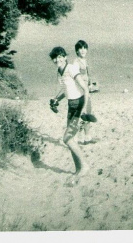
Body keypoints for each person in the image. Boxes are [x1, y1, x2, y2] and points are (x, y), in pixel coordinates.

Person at [49, 46, 90, 177]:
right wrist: (57, 100)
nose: (57, 60)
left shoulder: (71, 68)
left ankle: (84, 166)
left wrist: (83, 110)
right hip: (71, 105)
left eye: (60, 57)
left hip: (79, 105)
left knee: (67, 139)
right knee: (71, 139)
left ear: (65, 57)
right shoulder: (59, 72)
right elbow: (67, 90)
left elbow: (85, 89)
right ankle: (78, 169)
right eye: (55, 58)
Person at [73, 40, 98, 145]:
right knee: (81, 114)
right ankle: (79, 138)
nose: (83, 50)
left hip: (87, 91)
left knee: (88, 112)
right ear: (77, 50)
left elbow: (88, 76)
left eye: (84, 48)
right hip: (80, 92)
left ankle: (87, 137)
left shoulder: (85, 61)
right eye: (80, 48)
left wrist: (92, 84)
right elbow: (75, 78)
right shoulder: (76, 62)